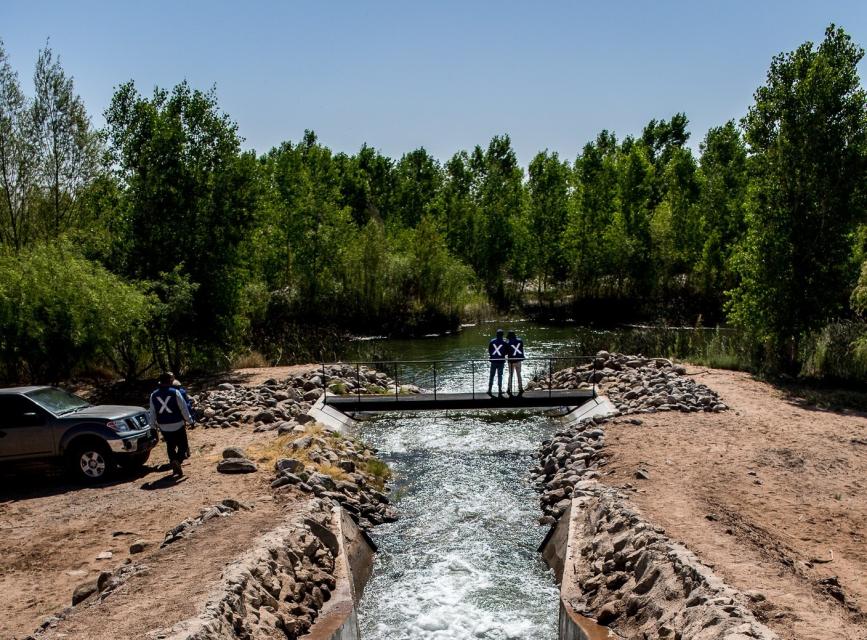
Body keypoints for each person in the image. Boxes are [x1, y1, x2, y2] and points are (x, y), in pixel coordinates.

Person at [149, 372, 193, 476]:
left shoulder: (153, 395)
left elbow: (152, 412)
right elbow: (183, 408)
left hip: (163, 425)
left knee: (170, 445)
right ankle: (177, 461)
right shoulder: (175, 392)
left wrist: (152, 426)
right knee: (183, 445)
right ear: (170, 381)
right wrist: (190, 420)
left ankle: (173, 461)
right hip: (177, 423)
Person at [172, 378, 195, 460]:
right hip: (181, 418)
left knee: (172, 440)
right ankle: (185, 452)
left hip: (169, 420)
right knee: (182, 436)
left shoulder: (167, 393)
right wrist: (191, 419)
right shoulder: (181, 392)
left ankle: (176, 456)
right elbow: (187, 406)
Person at [487, 328, 507, 397]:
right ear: (502, 335)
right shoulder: (504, 342)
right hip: (501, 361)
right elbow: (506, 352)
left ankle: (489, 390)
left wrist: (492, 356)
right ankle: (500, 390)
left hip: (493, 361)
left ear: (496, 335)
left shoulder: (492, 341)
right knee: (500, 376)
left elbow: (489, 350)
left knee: (491, 376)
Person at [506, 330, 525, 396]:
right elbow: (521, 348)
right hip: (518, 360)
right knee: (519, 374)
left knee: (510, 375)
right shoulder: (520, 341)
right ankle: (520, 388)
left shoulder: (508, 343)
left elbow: (506, 352)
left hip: (511, 361)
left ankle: (509, 388)